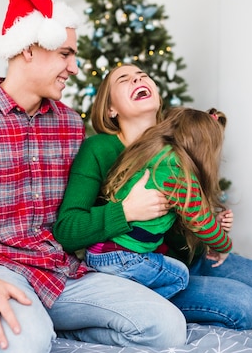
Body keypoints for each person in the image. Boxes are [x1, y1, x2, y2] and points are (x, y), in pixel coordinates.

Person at [0, 0, 186, 353]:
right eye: (66, 53)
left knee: (169, 328)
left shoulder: (70, 123)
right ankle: (34, 330)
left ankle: (52, 332)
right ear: (28, 49)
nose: (74, 68)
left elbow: (86, 207)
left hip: (62, 271)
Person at [54, 64, 252, 330]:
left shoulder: (179, 144)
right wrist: (127, 211)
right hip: (138, 271)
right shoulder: (98, 149)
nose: (138, 78)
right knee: (244, 304)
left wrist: (212, 226)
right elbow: (66, 230)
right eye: (124, 79)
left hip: (190, 259)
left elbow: (190, 214)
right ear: (111, 109)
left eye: (143, 75)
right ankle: (144, 304)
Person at [83, 107, 233, 299]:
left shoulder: (149, 155)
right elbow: (203, 224)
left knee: (161, 260)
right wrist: (224, 247)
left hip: (97, 252)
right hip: (121, 257)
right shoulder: (179, 175)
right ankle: (133, 306)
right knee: (179, 276)